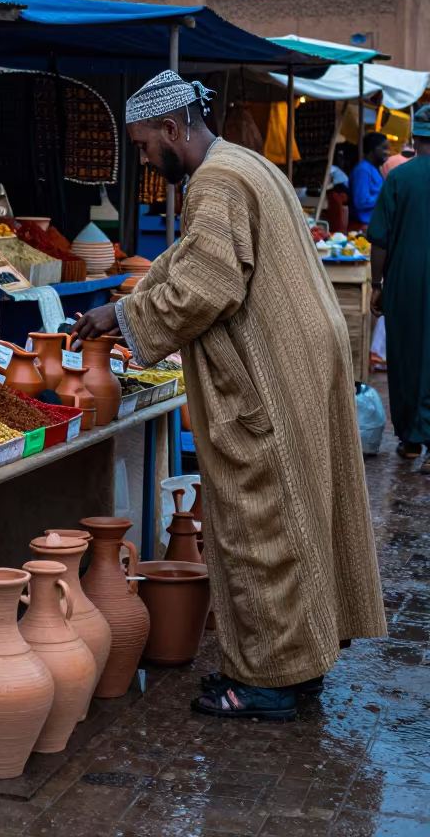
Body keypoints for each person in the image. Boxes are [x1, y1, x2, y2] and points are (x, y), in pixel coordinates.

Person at [72, 70, 386, 721]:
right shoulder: (242, 163)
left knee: (259, 517)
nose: (143, 159)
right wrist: (123, 307)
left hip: (270, 368)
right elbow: (187, 259)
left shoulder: (214, 181)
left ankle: (265, 683)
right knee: (297, 508)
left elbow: (206, 286)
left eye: (142, 145)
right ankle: (301, 666)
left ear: (170, 128)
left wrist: (128, 320)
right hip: (300, 355)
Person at [368, 106, 430, 471]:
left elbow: (379, 242)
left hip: (404, 283)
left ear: (415, 140)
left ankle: (410, 439)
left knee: (405, 356)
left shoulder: (399, 178)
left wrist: (378, 285)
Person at [348, 131, 389, 228]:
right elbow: (361, 202)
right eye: (384, 148)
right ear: (373, 149)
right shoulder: (363, 170)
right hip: (364, 225)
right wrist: (385, 197)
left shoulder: (374, 168)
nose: (387, 152)